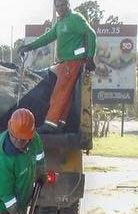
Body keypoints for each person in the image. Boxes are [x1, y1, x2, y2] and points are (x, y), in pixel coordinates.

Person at [18, 0, 96, 134]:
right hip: (63, 63)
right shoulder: (60, 23)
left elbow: (91, 34)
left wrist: (90, 57)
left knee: (59, 92)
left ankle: (50, 124)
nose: (60, 8)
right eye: (57, 6)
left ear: (68, 5)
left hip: (73, 61)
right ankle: (60, 123)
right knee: (62, 91)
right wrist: (29, 46)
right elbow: (47, 37)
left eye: (62, 5)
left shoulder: (75, 18)